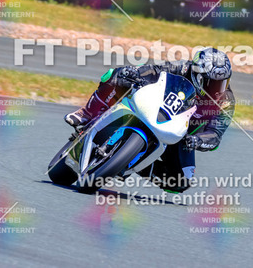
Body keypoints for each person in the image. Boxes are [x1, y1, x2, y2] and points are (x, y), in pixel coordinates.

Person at [64, 47, 235, 193]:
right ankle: (87, 113)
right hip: (152, 107)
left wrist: (197, 140)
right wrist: (134, 73)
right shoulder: (180, 68)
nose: (218, 90)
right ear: (198, 75)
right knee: (116, 75)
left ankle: (137, 165)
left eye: (223, 83)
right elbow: (152, 71)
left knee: (182, 181)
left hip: (180, 136)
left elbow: (215, 135)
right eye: (212, 83)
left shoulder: (226, 102)